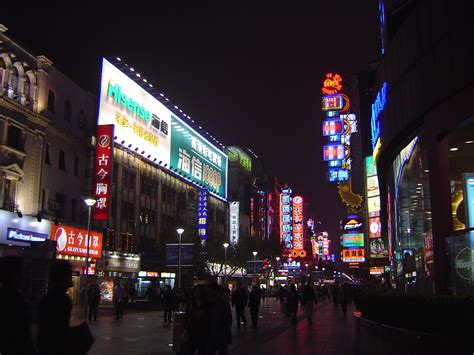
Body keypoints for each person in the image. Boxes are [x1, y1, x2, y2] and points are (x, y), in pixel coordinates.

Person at [0, 256, 36, 355]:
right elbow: (22, 334)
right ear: (15, 275)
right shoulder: (16, 299)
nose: (25, 276)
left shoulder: (8, 296)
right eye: (22, 272)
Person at [38, 260, 73, 355]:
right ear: (64, 277)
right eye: (70, 274)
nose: (71, 278)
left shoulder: (47, 298)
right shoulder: (63, 300)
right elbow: (60, 331)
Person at [184, 284, 209, 355]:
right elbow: (187, 316)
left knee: (202, 350)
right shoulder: (191, 303)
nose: (197, 293)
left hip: (203, 332)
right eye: (196, 291)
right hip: (192, 330)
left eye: (199, 291)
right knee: (189, 350)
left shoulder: (206, 304)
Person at [207, 283, 232, 355]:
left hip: (220, 335)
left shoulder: (223, 303)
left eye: (210, 291)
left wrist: (224, 334)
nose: (209, 293)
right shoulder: (208, 303)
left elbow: (228, 321)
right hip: (210, 334)